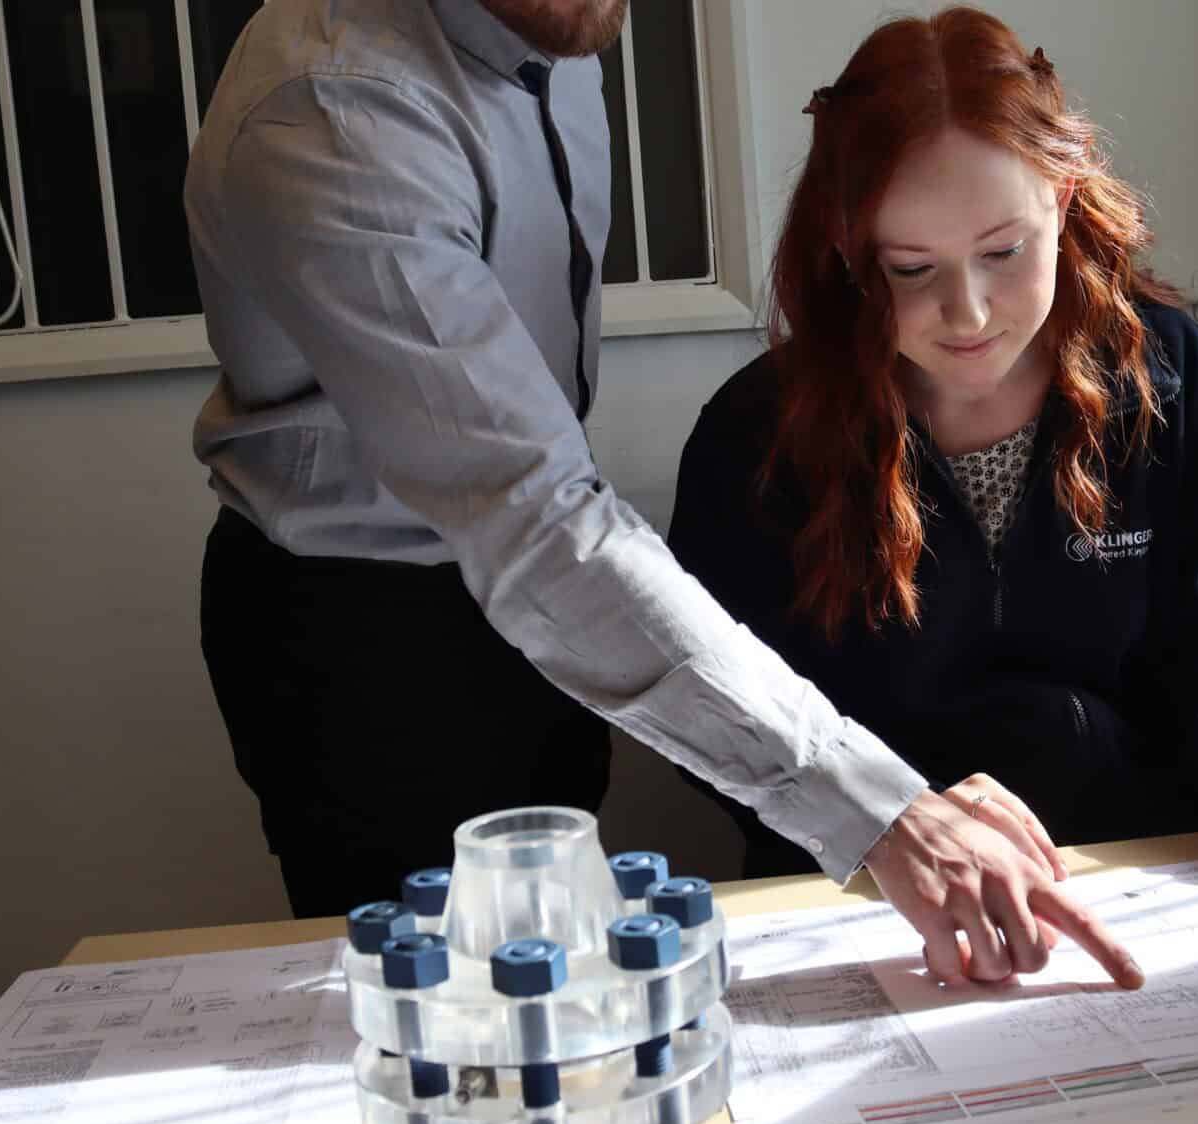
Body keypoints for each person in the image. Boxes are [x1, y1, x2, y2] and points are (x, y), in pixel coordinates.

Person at [182, 0, 1139, 988]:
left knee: (551, 978)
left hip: (539, 600)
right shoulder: (339, 109)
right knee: (438, 1013)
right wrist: (884, 810)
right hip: (372, 625)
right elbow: (533, 515)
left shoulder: (555, 28)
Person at [668, 6, 1198, 928]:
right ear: (849, 250)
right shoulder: (759, 435)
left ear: (1067, 198)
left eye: (1004, 252)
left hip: (1154, 884)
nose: (967, 314)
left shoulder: (1169, 377)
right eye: (911, 269)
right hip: (865, 900)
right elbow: (719, 710)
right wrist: (883, 814)